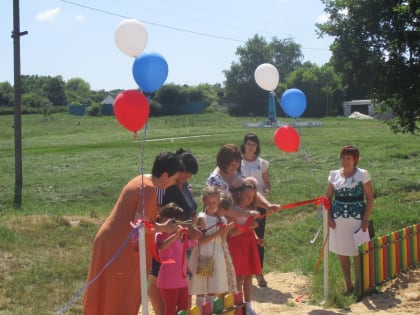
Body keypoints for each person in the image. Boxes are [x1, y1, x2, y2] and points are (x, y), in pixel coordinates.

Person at [83, 152, 182, 315]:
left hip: (109, 240)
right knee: (122, 294)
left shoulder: (140, 180)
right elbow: (140, 228)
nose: (172, 184)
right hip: (121, 248)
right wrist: (164, 228)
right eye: (173, 179)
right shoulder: (150, 190)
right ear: (165, 175)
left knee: (105, 292)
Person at [148, 148, 201, 315]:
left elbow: (190, 208)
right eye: (184, 172)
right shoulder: (166, 188)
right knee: (158, 277)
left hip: (182, 239)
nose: (187, 176)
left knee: (181, 281)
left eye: (189, 174)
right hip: (166, 236)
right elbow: (161, 215)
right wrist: (186, 226)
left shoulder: (185, 187)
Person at [326, 145, 374, 295]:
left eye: (349, 158)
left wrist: (365, 220)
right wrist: (328, 217)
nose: (345, 161)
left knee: (356, 253)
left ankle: (360, 285)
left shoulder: (363, 174)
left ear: (355, 160)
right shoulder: (334, 175)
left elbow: (370, 198)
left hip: (357, 220)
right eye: (343, 158)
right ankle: (348, 285)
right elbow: (327, 198)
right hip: (338, 220)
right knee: (342, 252)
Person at [188, 186, 237, 308]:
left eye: (214, 202)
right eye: (209, 202)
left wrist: (225, 230)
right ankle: (199, 309)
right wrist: (218, 232)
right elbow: (202, 241)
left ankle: (209, 309)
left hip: (217, 254)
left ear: (218, 201)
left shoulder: (220, 218)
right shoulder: (202, 218)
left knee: (212, 286)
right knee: (202, 287)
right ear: (204, 201)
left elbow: (222, 239)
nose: (211, 205)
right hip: (205, 255)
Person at [206, 144, 280, 216]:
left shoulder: (237, 173)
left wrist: (268, 205)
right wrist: (246, 213)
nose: (234, 167)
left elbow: (250, 191)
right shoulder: (215, 181)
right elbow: (223, 207)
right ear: (222, 162)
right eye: (231, 164)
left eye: (237, 163)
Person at [240, 132, 271, 287]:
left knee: (258, 239)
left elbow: (267, 182)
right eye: (248, 143)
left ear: (257, 146)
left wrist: (265, 192)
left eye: (254, 144)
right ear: (244, 145)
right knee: (241, 238)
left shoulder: (263, 163)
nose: (251, 147)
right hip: (242, 208)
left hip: (258, 207)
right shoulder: (238, 163)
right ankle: (243, 271)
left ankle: (259, 273)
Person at [155, 203, 197, 315]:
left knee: (183, 307)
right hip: (168, 279)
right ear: (165, 219)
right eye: (176, 222)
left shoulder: (179, 235)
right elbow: (161, 246)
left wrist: (193, 231)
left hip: (181, 278)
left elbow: (193, 243)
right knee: (171, 309)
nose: (178, 225)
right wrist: (175, 236)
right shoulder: (160, 233)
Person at [228, 179, 262, 315]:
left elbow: (250, 229)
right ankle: (238, 305)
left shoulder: (250, 210)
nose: (249, 199)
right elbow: (233, 233)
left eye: (252, 197)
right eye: (247, 196)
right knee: (238, 278)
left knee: (248, 277)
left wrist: (256, 238)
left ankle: (248, 305)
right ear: (240, 193)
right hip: (237, 246)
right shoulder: (234, 210)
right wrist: (249, 226)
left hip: (249, 245)